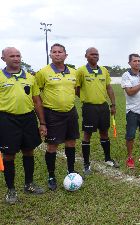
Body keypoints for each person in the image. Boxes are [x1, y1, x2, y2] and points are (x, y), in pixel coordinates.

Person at [0, 47, 46, 204]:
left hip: (28, 118)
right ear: (3, 59)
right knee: (9, 155)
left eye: (18, 55)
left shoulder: (29, 77)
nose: (15, 58)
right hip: (7, 119)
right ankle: (11, 190)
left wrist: (42, 122)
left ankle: (29, 184)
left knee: (29, 151)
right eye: (11, 56)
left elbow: (37, 101)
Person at [36, 43, 79, 191]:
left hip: (71, 112)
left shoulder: (74, 72)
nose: (57, 54)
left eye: (60, 52)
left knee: (71, 143)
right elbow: (36, 94)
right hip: (52, 114)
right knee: (52, 146)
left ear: (66, 55)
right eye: (54, 52)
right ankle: (51, 176)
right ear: (50, 55)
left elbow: (76, 89)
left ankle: (71, 171)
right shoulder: (43, 73)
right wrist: (42, 120)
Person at [76, 47, 119, 175]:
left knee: (104, 132)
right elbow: (76, 89)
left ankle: (107, 159)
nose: (95, 56)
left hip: (103, 107)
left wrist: (113, 104)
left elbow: (109, 88)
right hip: (89, 108)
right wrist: (86, 98)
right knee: (87, 134)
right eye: (92, 54)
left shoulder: (104, 70)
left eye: (97, 54)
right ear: (86, 56)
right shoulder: (81, 71)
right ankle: (86, 163)